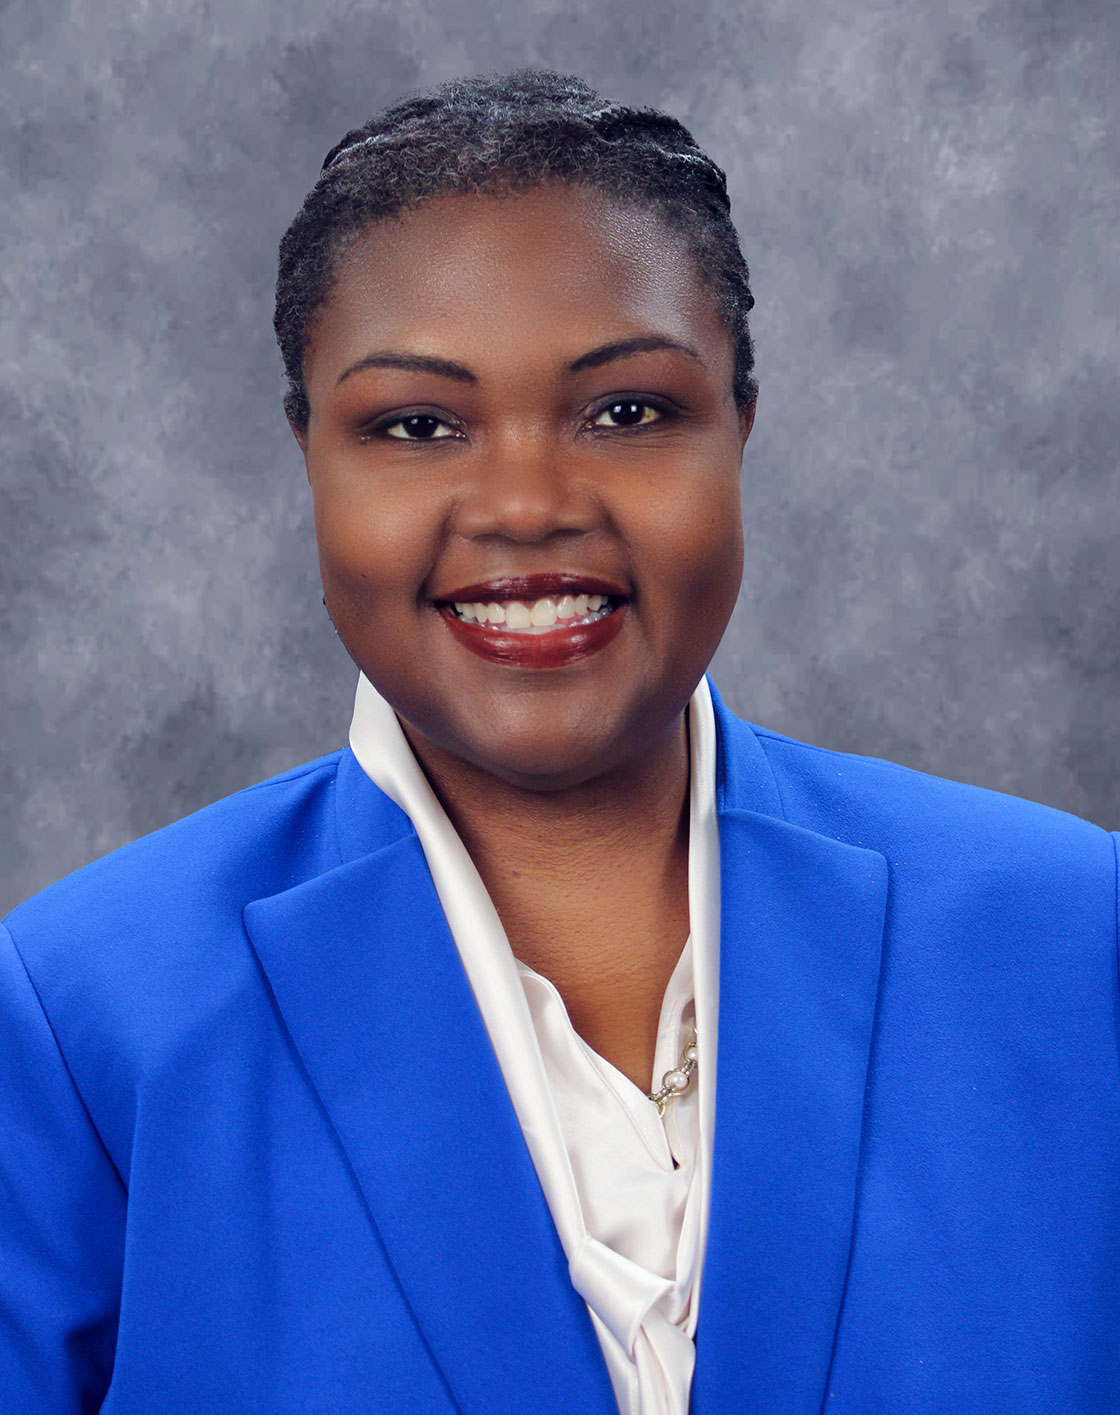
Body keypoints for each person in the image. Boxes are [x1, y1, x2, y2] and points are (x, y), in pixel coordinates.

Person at [2, 68, 1118, 1415]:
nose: (526, 505)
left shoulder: (1072, 943)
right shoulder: (80, 1017)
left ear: (739, 430)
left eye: (628, 412)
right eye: (416, 426)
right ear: (310, 457)